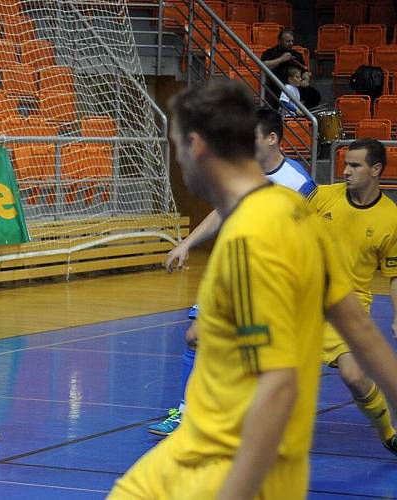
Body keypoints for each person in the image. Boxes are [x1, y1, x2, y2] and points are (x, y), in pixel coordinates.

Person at [109, 79, 397, 499]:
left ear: (199, 146)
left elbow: (277, 387)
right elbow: (361, 330)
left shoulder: (254, 236)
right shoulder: (288, 215)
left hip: (220, 465)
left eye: (177, 146)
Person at [148, 108, 316, 436]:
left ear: (271, 138)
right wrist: (186, 244)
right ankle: (187, 413)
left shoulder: (298, 183)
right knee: (195, 337)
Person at [307, 138, 397, 454]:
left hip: (347, 306)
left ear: (376, 170)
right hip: (300, 299)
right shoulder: (322, 197)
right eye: (345, 164)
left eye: (355, 165)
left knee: (356, 377)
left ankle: (388, 433)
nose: (346, 171)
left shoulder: (391, 217)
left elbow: (394, 273)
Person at [261, 29, 311, 109]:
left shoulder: (296, 54)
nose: (291, 44)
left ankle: (305, 118)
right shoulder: (270, 53)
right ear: (280, 41)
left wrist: (306, 80)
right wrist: (281, 59)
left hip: (296, 87)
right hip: (277, 88)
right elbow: (263, 66)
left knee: (314, 95)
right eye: (288, 41)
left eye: (292, 41)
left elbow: (305, 71)